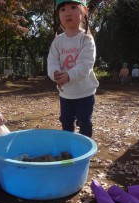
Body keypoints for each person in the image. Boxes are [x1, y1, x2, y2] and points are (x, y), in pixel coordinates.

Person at [47, 0, 99, 138]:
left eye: (73, 7)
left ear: (85, 11)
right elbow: (52, 61)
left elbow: (86, 64)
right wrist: (55, 73)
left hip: (85, 93)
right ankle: (68, 149)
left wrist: (69, 75)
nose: (67, 12)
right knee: (66, 122)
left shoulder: (86, 39)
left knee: (84, 123)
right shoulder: (58, 41)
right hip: (66, 94)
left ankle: (84, 151)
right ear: (58, 14)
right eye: (62, 9)